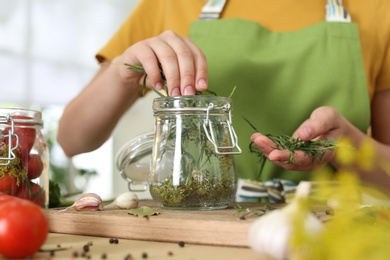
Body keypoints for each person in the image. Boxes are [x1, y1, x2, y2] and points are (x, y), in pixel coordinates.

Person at [57, 0, 390, 199]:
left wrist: (348, 143)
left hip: (329, 232)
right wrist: (121, 73)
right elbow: (71, 139)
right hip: (199, 224)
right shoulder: (169, 3)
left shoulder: (377, 10)